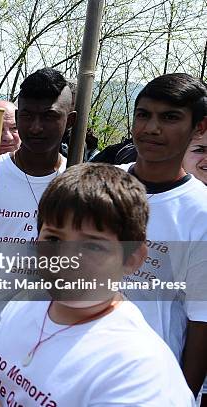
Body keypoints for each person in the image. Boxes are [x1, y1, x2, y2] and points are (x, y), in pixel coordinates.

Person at [0, 163, 195, 406]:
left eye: (92, 246)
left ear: (132, 258)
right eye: (54, 238)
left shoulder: (138, 373)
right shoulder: (24, 305)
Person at [0, 68, 74, 351]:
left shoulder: (78, 182)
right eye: (27, 116)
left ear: (70, 120)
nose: (36, 127)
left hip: (52, 335)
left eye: (49, 116)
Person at [119, 73, 207, 397]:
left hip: (148, 386)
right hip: (79, 366)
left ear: (199, 126)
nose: (152, 128)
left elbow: (202, 324)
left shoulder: (201, 213)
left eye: (170, 118)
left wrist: (181, 396)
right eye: (144, 115)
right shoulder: (100, 183)